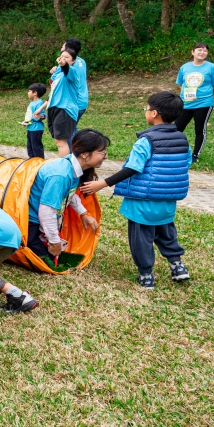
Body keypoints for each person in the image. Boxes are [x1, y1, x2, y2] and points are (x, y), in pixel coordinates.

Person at [80, 92, 189, 288]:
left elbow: (132, 168)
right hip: (167, 200)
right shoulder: (182, 139)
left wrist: (103, 183)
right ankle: (177, 266)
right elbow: (184, 163)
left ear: (154, 113)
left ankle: (146, 275)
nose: (145, 112)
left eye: (146, 109)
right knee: (166, 232)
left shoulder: (146, 141)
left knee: (141, 239)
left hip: (142, 201)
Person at [26, 128, 106, 261]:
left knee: (57, 257)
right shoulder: (61, 174)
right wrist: (54, 242)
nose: (105, 156)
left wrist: (83, 213)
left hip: (42, 223)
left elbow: (69, 194)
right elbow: (46, 211)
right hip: (30, 223)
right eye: (101, 152)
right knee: (49, 262)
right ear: (85, 154)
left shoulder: (72, 167)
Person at [175, 42, 214, 165]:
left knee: (199, 129)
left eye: (205, 51)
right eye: (199, 50)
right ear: (193, 52)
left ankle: (195, 155)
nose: (202, 52)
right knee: (177, 128)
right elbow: (180, 84)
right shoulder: (185, 67)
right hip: (185, 103)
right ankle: (174, 151)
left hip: (204, 103)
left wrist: (204, 95)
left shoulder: (211, 67)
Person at [45, 43, 84, 155]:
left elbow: (66, 69)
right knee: (58, 141)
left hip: (65, 109)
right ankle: (67, 165)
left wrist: (63, 64)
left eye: (67, 57)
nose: (63, 59)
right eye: (62, 56)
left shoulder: (73, 71)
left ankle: (65, 167)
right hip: (54, 108)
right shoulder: (58, 75)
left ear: (73, 61)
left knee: (61, 141)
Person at [23, 83, 48, 159]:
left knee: (36, 147)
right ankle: (32, 161)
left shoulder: (39, 103)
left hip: (36, 128)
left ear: (35, 93)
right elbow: (30, 115)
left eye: (29, 91)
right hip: (30, 128)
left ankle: (39, 162)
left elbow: (44, 115)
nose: (28, 93)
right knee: (30, 146)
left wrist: (40, 116)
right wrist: (26, 121)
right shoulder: (32, 103)